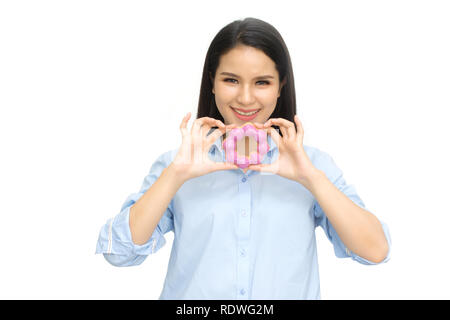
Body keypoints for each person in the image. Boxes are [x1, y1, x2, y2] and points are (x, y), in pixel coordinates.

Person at [95, 17, 391, 299]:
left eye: (262, 82)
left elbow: (375, 251)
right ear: (212, 82)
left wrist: (310, 178)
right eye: (231, 80)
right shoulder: (178, 164)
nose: (246, 98)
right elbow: (118, 253)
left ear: (280, 86)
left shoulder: (314, 165)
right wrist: (175, 175)